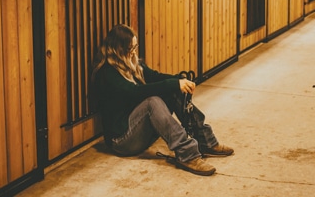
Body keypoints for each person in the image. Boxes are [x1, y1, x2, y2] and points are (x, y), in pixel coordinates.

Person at [92, 24, 234, 176]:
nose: (134, 52)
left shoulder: (132, 62)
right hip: (122, 140)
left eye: (135, 47)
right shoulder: (107, 74)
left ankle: (206, 140)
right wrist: (173, 83)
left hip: (139, 131)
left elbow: (155, 76)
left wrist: (180, 80)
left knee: (173, 89)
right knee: (152, 102)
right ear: (118, 50)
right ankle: (188, 155)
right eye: (130, 49)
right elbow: (135, 92)